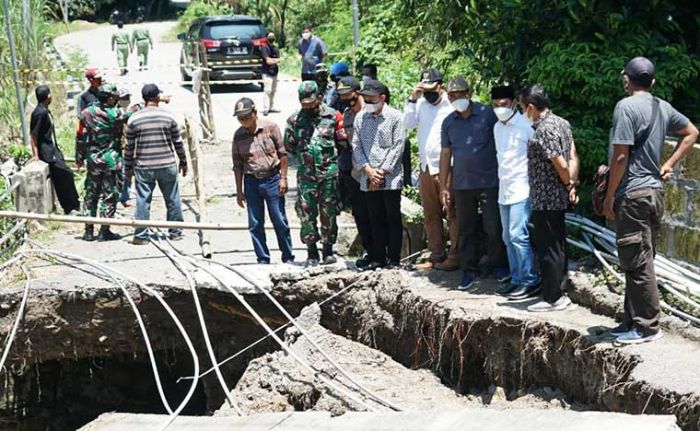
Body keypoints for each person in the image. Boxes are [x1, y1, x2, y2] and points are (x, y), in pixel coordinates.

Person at [604, 57, 698, 344]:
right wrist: (668, 164)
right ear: (652, 82)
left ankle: (647, 327)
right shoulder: (662, 106)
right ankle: (630, 320)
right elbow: (692, 132)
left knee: (636, 260)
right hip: (654, 193)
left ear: (626, 79)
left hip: (631, 194)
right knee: (641, 257)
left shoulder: (626, 107)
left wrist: (610, 195)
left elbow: (620, 156)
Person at [440, 77, 508, 289]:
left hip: (489, 181)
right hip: (462, 184)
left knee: (493, 227)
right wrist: (444, 186)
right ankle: (468, 269)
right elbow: (445, 155)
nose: (456, 98)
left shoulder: (488, 114)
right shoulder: (449, 122)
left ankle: (498, 266)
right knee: (465, 229)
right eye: (452, 95)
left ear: (469, 93)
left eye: (460, 94)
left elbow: (504, 140)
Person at [518, 84, 579, 311]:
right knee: (558, 245)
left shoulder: (544, 130)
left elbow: (560, 162)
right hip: (559, 195)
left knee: (548, 248)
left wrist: (566, 182)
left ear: (531, 107)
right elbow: (572, 155)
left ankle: (553, 297)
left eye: (523, 107)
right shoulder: (562, 123)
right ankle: (559, 292)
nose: (523, 112)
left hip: (546, 198)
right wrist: (571, 186)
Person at [285, 81, 346, 266]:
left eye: (310, 103)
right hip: (306, 176)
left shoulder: (333, 116)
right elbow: (290, 145)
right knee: (306, 214)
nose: (307, 107)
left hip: (328, 175)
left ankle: (328, 249)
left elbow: (342, 144)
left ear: (319, 98)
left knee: (329, 212)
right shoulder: (294, 121)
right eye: (304, 103)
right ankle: (311, 251)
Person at [404, 68, 459, 271]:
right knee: (431, 213)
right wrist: (412, 98)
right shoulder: (420, 104)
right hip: (426, 166)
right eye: (423, 89)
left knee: (452, 212)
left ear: (440, 86)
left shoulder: (451, 105)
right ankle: (436, 255)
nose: (428, 93)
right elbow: (406, 123)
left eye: (430, 89)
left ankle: (455, 256)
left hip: (448, 166)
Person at [491, 85, 540, 298]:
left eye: (503, 104)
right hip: (505, 189)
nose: (499, 109)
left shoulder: (526, 125)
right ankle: (516, 278)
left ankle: (530, 280)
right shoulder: (496, 128)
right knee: (507, 237)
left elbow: (538, 155)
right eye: (495, 105)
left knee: (518, 235)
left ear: (512, 103)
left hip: (523, 187)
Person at [232, 97, 294, 264]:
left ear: (254, 113)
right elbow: (237, 166)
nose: (244, 121)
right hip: (251, 182)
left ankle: (288, 257)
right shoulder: (238, 136)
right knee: (255, 222)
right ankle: (263, 258)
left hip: (273, 179)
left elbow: (283, 154)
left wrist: (283, 178)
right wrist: (239, 191)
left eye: (246, 116)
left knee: (279, 220)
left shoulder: (271, 128)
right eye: (240, 118)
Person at [125, 84, 188, 244]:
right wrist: (183, 161)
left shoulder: (134, 119)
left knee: (143, 200)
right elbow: (178, 142)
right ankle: (175, 232)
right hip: (167, 164)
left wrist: (128, 168)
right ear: (157, 97)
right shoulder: (169, 117)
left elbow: (129, 147)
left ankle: (141, 235)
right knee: (172, 198)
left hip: (144, 166)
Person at [352, 79, 405, 269]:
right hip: (368, 175)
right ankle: (377, 257)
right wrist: (368, 170)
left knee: (392, 217)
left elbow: (398, 146)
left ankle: (394, 258)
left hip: (389, 177)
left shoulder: (396, 117)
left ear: (382, 98)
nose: (367, 102)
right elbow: (356, 146)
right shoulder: (361, 117)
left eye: (371, 98)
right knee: (374, 217)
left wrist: (381, 173)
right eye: (365, 98)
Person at [76, 83, 129, 242]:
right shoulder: (116, 114)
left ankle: (88, 230)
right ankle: (104, 230)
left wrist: (79, 157)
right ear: (110, 98)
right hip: (111, 161)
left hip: (93, 160)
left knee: (91, 193)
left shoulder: (86, 113)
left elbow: (80, 136)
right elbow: (133, 110)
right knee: (110, 194)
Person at [337, 76, 374, 268]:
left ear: (357, 92)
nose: (345, 98)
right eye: (341, 95)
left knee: (376, 213)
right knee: (360, 214)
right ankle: (368, 251)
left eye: (348, 94)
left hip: (374, 171)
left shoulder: (371, 111)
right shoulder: (347, 114)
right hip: (355, 173)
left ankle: (380, 253)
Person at [30, 85, 80, 214]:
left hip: (53, 150)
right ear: (48, 97)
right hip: (47, 152)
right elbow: (33, 135)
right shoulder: (39, 113)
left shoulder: (45, 111)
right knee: (63, 176)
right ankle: (70, 207)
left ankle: (74, 205)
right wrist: (36, 154)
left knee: (67, 174)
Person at [261, 32, 281, 116]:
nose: (271, 37)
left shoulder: (276, 48)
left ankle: (271, 107)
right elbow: (268, 61)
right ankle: (266, 108)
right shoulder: (264, 47)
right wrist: (276, 60)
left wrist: (275, 60)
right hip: (267, 72)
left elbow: (278, 60)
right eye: (270, 36)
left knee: (273, 91)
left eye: (273, 36)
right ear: (266, 37)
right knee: (267, 91)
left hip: (274, 72)